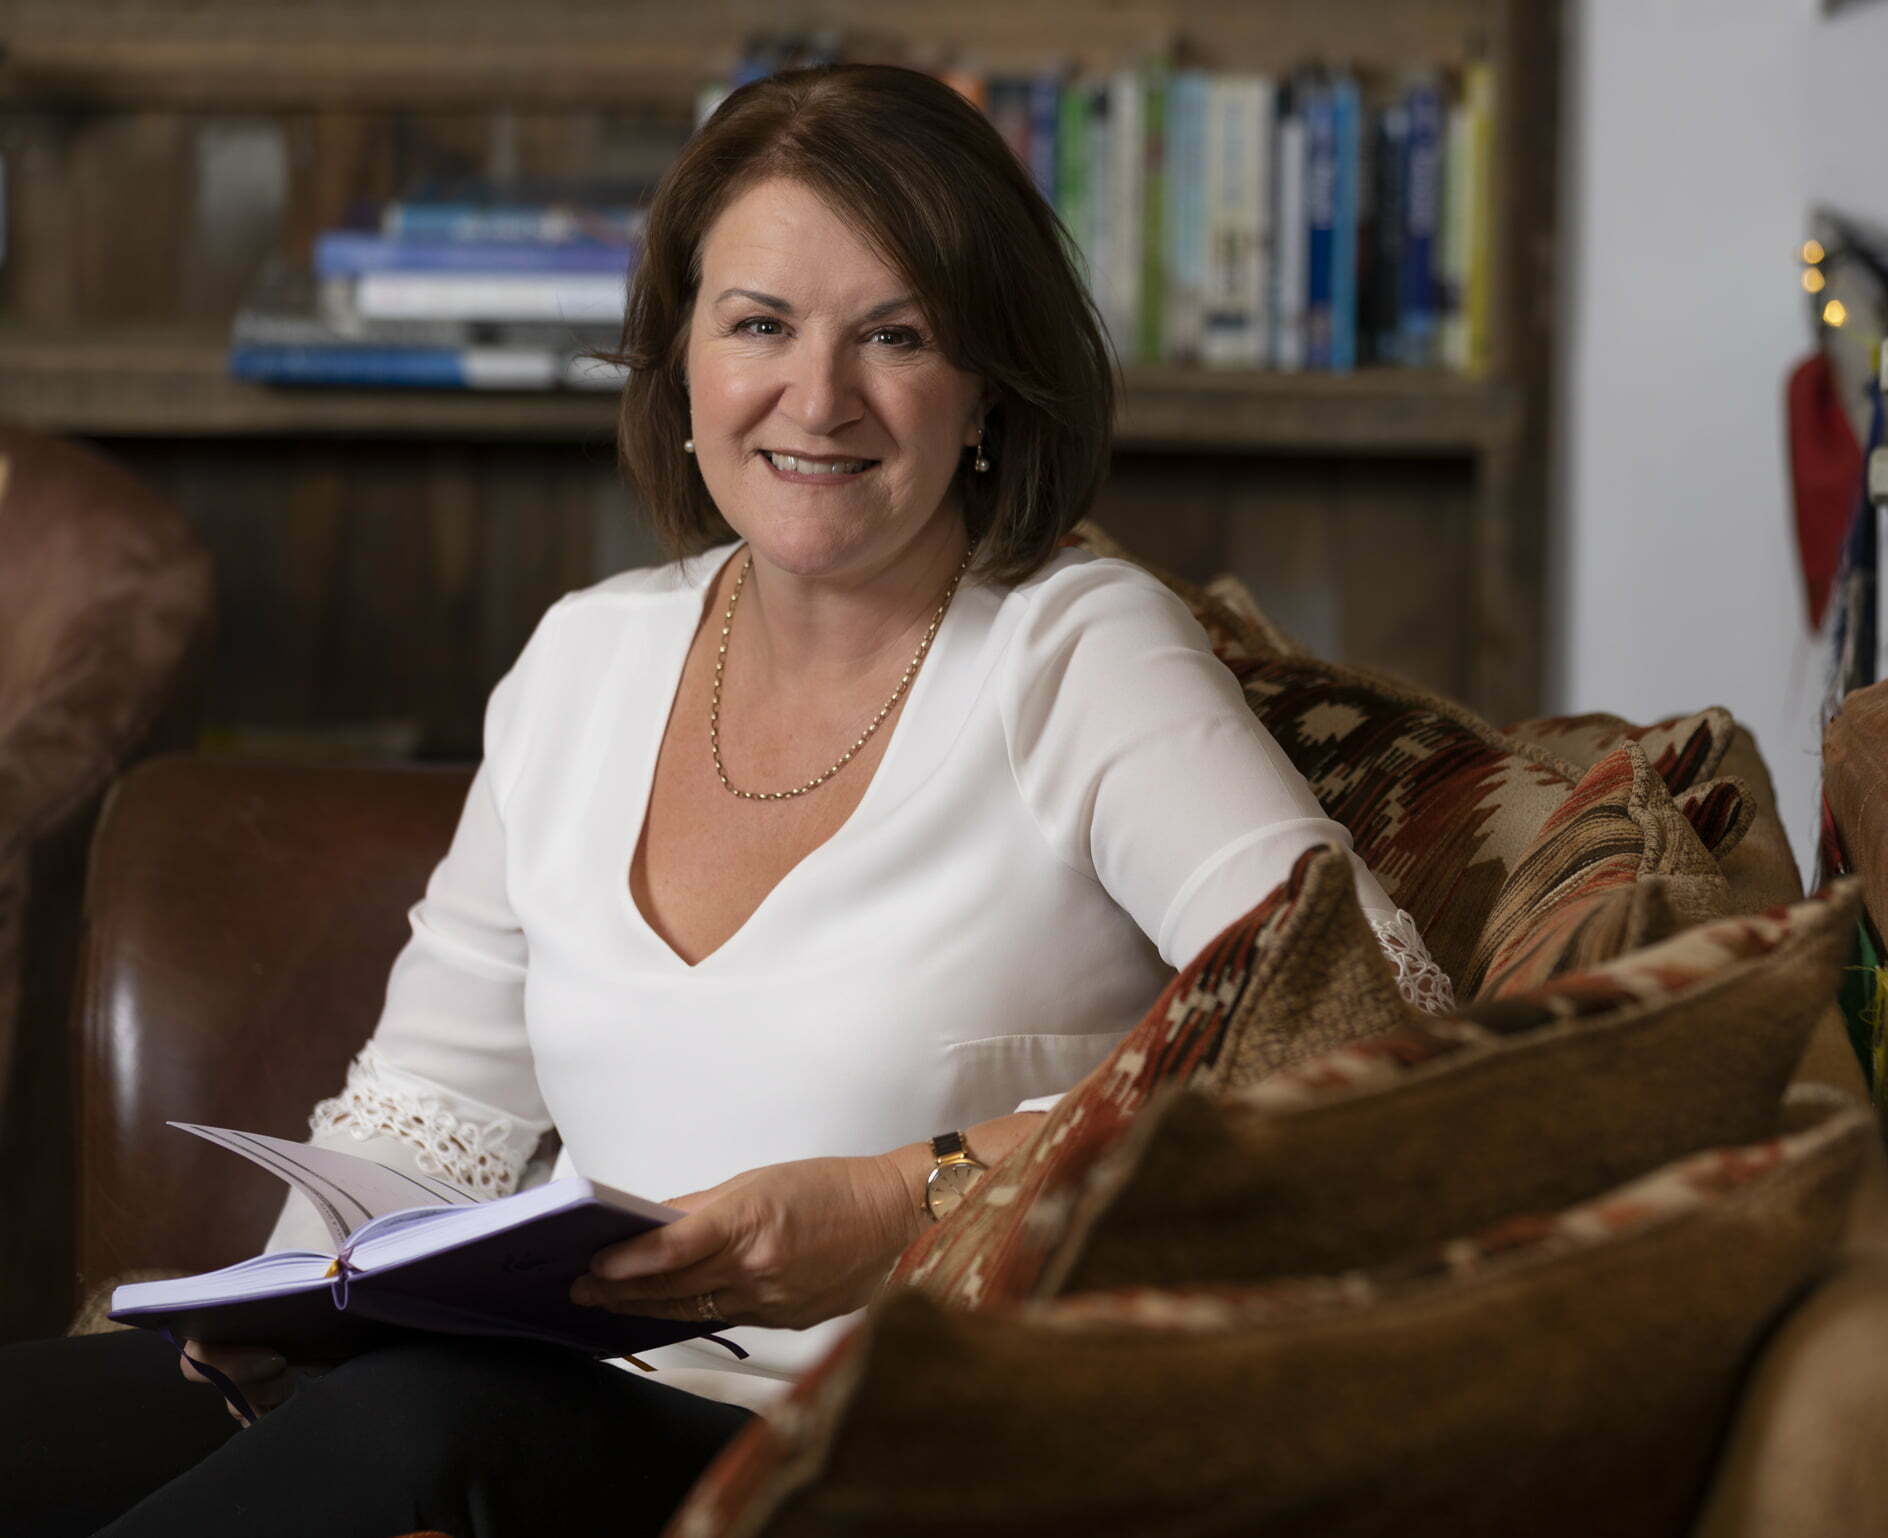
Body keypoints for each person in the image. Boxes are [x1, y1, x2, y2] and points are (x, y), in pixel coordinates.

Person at [0, 62, 1449, 1538]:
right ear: (681, 362)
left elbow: (1378, 1033)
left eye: (896, 336)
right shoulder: (589, 655)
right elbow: (425, 1120)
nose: (816, 399)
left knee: (425, 1417)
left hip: (876, 1439)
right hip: (533, 1384)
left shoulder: (1079, 653)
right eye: (760, 325)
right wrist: (295, 1299)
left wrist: (902, 1201)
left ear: (988, 390)